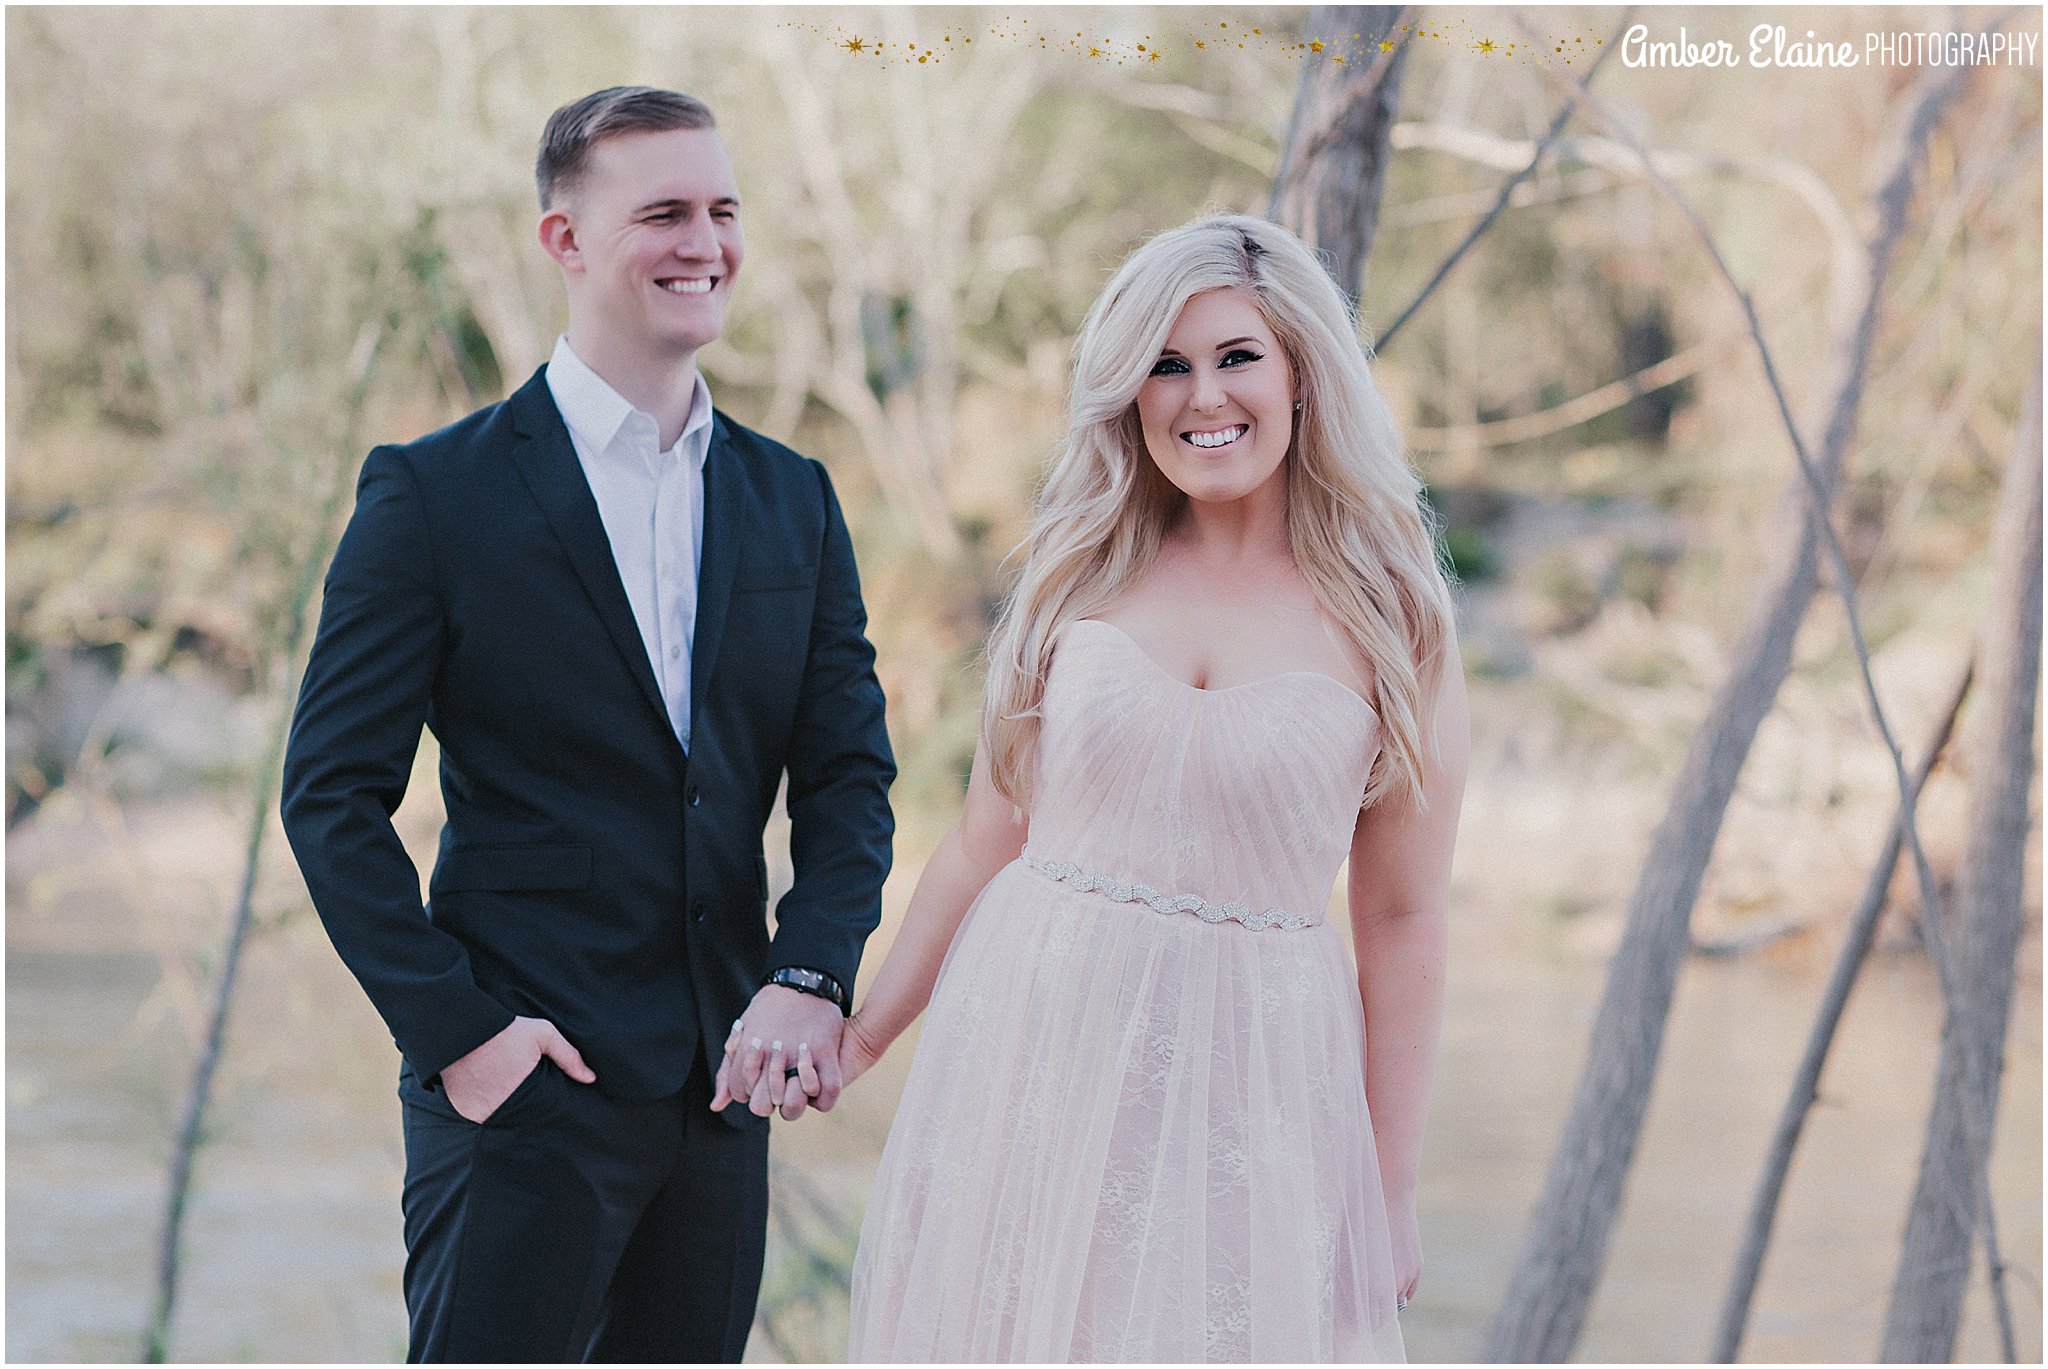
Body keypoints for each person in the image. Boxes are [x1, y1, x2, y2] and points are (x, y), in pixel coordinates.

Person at [280, 86, 894, 1363]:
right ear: (562, 239)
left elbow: (847, 782)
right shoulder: (433, 495)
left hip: (722, 1099)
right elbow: (329, 798)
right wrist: (463, 1039)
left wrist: (809, 972)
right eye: (663, 212)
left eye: (723, 211)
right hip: (521, 1090)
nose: (705, 243)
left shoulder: (796, 500)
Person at [824, 214, 1465, 1362]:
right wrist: (866, 1033)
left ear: (1302, 374)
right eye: (1164, 365)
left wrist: (1389, 1183)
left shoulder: (1393, 613)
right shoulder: (1078, 571)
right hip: (1035, 1059)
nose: (1198, 395)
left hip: (1255, 1089)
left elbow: (1403, 919)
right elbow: (983, 840)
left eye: (1234, 357)